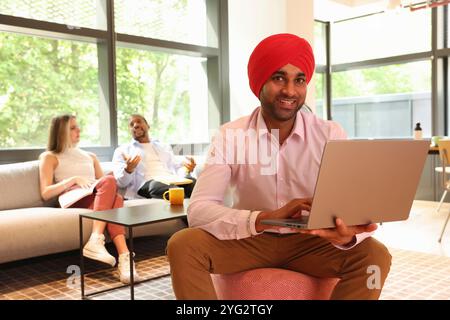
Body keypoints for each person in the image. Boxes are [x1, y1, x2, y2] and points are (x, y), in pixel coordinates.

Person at [166, 33, 392, 300]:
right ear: (259, 82)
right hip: (249, 238)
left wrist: (346, 235)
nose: (290, 91)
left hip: (312, 242)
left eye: (299, 80)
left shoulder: (330, 133)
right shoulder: (230, 135)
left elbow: (350, 202)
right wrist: (265, 217)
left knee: (376, 256)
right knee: (182, 245)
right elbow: (199, 210)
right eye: (278, 78)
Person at [38, 114, 141, 284]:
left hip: (94, 196)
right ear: (60, 132)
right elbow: (45, 192)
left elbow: (106, 185)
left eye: (77, 126)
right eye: (72, 128)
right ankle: (97, 239)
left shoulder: (90, 156)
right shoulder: (49, 157)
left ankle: (124, 259)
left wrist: (127, 169)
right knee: (112, 192)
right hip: (72, 196)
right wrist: (73, 179)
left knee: (115, 198)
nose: (78, 130)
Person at [112, 114, 196, 200]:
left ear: (148, 126)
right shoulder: (122, 151)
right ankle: (188, 208)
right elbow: (121, 183)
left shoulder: (163, 147)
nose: (135, 125)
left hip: (170, 180)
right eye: (131, 125)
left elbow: (176, 167)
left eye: (139, 121)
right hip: (148, 184)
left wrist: (186, 170)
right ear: (130, 131)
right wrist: (128, 170)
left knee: (194, 183)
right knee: (162, 186)